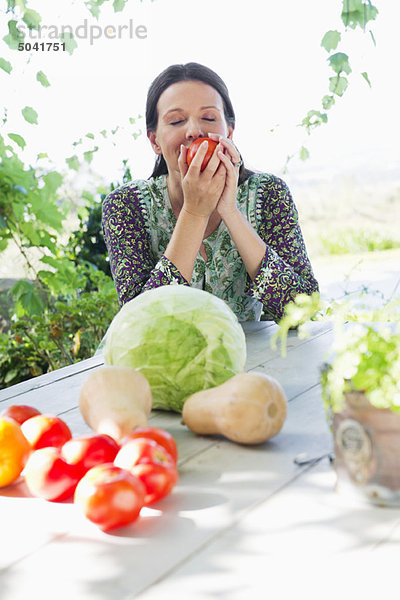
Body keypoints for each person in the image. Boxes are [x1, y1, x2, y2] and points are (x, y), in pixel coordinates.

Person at [102, 62, 319, 322]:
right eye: (176, 121)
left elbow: (303, 311)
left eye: (208, 118)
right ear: (154, 140)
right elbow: (139, 321)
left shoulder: (268, 193)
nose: (194, 131)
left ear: (229, 131)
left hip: (252, 360)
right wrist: (195, 212)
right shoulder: (126, 205)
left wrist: (230, 210)